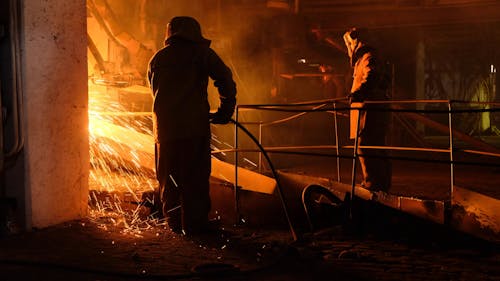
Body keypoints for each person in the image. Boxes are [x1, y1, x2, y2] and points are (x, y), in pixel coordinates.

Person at [147, 16, 237, 235]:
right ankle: (195, 225)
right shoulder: (201, 54)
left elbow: (153, 89)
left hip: (165, 131)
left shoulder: (157, 58)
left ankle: (175, 223)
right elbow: (224, 78)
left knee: (169, 178)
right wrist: (225, 110)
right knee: (194, 177)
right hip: (194, 128)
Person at [343, 28, 391, 192]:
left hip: (369, 110)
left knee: (366, 145)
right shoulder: (365, 58)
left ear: (357, 42)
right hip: (368, 109)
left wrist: (358, 93)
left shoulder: (368, 57)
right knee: (373, 146)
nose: (349, 47)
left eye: (350, 43)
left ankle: (373, 185)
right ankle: (379, 185)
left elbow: (372, 75)